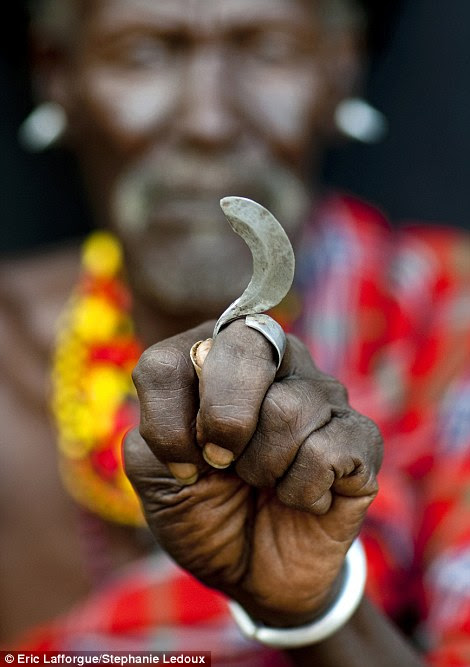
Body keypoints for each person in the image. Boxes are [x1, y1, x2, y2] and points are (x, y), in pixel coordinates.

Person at [0, 0, 469, 664]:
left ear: (339, 68)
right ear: (57, 73)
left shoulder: (446, 323)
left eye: (268, 48)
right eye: (144, 53)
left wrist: (316, 608)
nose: (208, 122)